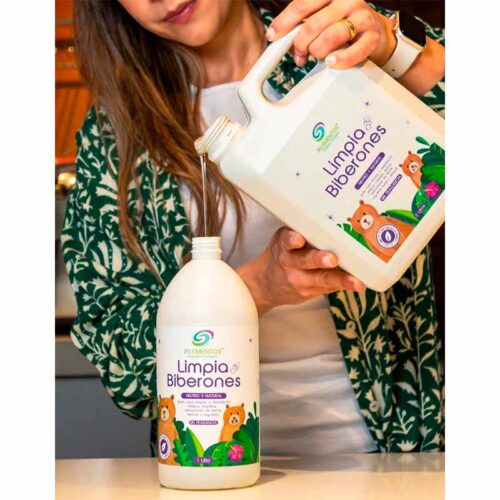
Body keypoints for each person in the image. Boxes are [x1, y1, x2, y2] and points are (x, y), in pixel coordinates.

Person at [63, 0, 445, 455]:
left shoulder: (338, 40)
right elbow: (121, 364)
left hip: (400, 449)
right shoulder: (114, 136)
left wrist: (397, 54)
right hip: (208, 459)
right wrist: (259, 286)